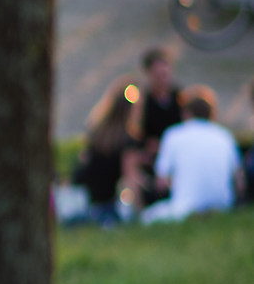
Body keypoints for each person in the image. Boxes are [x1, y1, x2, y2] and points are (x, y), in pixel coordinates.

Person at [142, 86, 243, 221]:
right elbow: (239, 181)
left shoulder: (173, 135)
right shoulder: (225, 136)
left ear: (186, 113)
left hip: (185, 208)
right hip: (223, 206)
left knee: (146, 217)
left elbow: (162, 183)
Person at [69, 80, 136, 224]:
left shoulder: (96, 134)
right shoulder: (127, 140)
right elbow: (130, 178)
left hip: (87, 202)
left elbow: (84, 165)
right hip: (110, 203)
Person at [122, 46, 180, 210]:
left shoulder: (179, 97)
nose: (163, 79)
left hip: (174, 150)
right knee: (130, 159)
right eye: (158, 75)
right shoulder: (143, 101)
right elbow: (135, 133)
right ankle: (137, 208)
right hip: (151, 155)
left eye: (165, 74)